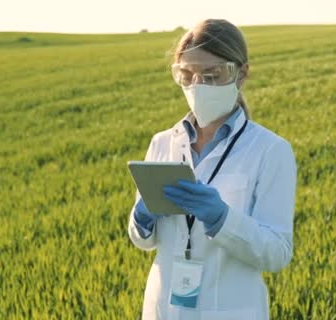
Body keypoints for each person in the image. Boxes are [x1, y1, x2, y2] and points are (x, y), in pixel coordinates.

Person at [127, 18, 297, 320]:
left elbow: (277, 253)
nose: (198, 86)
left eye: (212, 75)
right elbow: (144, 240)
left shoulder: (271, 151)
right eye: (187, 75)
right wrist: (141, 218)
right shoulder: (163, 143)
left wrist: (222, 219)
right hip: (163, 309)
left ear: (241, 74)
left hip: (230, 310)